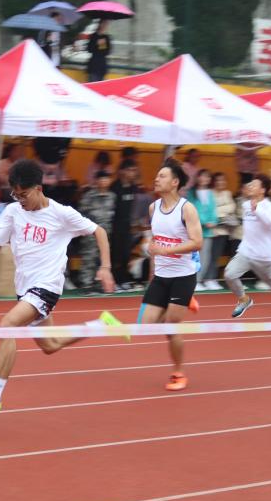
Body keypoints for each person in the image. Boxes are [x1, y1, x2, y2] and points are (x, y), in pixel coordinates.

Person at [0, 159, 119, 413]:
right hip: (24, 288)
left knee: (8, 326)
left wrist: (106, 267)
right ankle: (101, 325)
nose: (20, 200)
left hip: (47, 286)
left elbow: (99, 231)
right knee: (50, 345)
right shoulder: (13, 211)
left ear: (38, 188)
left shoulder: (61, 214)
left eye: (24, 194)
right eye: (15, 194)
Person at [140, 162, 203, 392]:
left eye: (162, 176)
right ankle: (187, 301)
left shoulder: (187, 209)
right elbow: (156, 240)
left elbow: (198, 242)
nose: (156, 179)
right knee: (145, 326)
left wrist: (166, 251)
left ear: (175, 182)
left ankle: (178, 373)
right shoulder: (153, 208)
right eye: (157, 176)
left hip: (183, 276)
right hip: (161, 276)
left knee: (171, 327)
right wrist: (151, 249)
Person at [224, 175, 271, 321]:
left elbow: (270, 222)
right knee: (229, 274)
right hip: (246, 252)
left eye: (254, 185)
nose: (250, 186)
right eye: (250, 184)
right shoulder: (246, 204)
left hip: (264, 256)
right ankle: (244, 300)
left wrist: (256, 208)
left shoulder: (268, 206)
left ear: (263, 190)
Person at [78, 170, 117, 289]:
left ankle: (99, 283)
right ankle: (86, 284)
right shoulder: (89, 196)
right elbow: (81, 214)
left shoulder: (112, 196)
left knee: (102, 259)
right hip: (91, 234)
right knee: (89, 258)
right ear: (96, 181)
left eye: (106, 179)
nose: (104, 181)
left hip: (106, 233)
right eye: (101, 179)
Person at [109, 158, 140, 289]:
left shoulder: (133, 188)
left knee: (126, 254)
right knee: (115, 254)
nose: (133, 173)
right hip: (115, 226)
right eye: (130, 170)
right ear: (122, 171)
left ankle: (123, 280)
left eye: (134, 170)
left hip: (128, 226)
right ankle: (114, 281)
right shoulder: (114, 187)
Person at [188, 169, 217, 290]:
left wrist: (214, 222)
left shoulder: (210, 193)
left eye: (207, 177)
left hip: (208, 232)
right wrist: (204, 222)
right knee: (194, 257)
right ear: (198, 177)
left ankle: (199, 280)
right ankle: (193, 281)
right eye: (202, 176)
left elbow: (213, 210)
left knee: (205, 257)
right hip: (195, 231)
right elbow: (191, 210)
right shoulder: (191, 192)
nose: (204, 179)